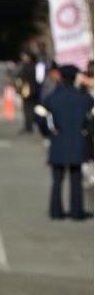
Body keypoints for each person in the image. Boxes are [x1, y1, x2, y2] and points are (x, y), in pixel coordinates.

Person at [37, 65, 94, 221]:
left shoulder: (52, 98)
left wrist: (49, 132)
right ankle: (76, 212)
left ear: (60, 78)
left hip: (58, 141)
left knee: (57, 179)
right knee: (76, 179)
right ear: (75, 78)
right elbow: (91, 122)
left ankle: (56, 211)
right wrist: (87, 135)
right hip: (78, 141)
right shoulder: (85, 99)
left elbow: (40, 117)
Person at [16, 50, 38, 133]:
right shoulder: (35, 66)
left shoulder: (26, 66)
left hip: (27, 89)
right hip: (33, 89)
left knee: (27, 108)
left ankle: (28, 126)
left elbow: (19, 76)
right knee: (30, 108)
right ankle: (29, 126)